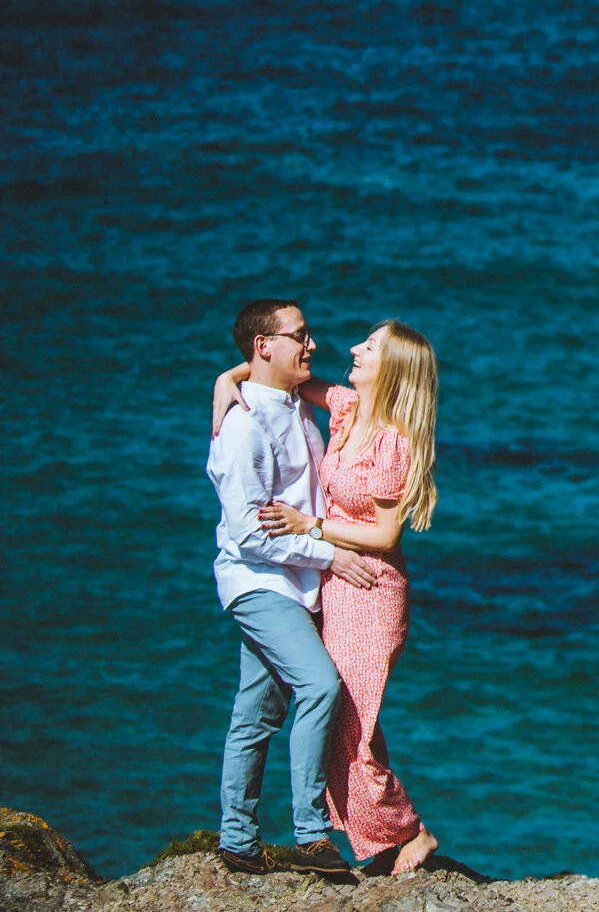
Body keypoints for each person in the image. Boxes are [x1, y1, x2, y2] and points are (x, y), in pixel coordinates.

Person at [215, 318, 443, 875]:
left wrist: (310, 526)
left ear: (389, 368)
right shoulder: (343, 408)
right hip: (329, 581)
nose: (351, 348)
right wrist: (226, 380)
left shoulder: (393, 441)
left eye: (368, 346)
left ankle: (405, 833)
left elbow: (387, 536)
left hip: (370, 587)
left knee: (352, 720)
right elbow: (278, 373)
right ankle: (354, 837)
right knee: (328, 715)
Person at [204, 298, 369, 879]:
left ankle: (237, 841)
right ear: (264, 346)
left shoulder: (296, 402)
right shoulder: (243, 425)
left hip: (298, 583)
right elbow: (250, 535)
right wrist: (332, 555)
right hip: (259, 581)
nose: (312, 345)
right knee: (320, 685)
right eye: (299, 336)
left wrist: (228, 374)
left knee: (256, 711)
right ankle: (309, 835)